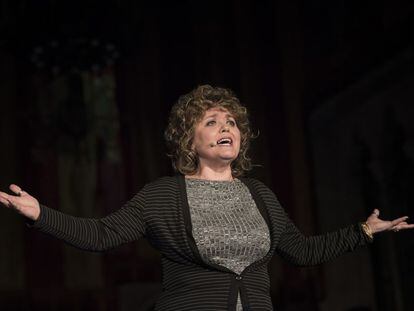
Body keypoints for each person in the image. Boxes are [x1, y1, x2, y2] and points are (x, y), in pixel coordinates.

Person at [1, 85, 413, 311]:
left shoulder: (259, 195)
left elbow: (301, 250)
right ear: (189, 138)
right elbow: (100, 235)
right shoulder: (163, 196)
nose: (226, 126)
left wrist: (363, 231)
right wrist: (41, 214)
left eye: (231, 121)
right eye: (211, 121)